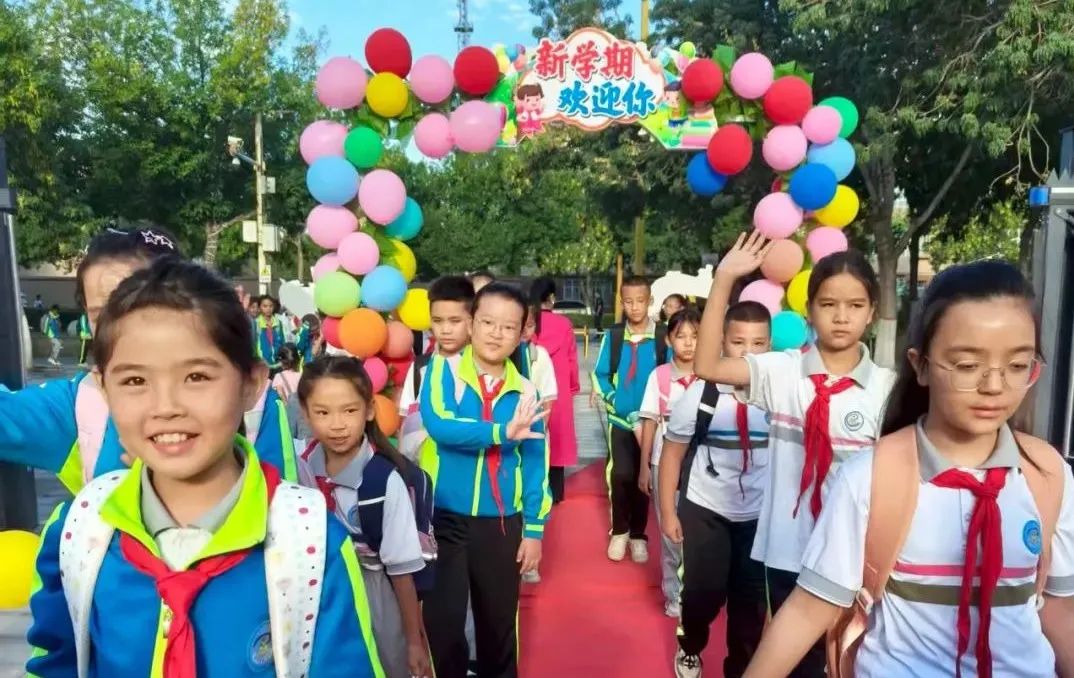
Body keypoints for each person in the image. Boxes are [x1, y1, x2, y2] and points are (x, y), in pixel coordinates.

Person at [25, 258, 383, 677]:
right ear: (104, 388)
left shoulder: (310, 540)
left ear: (252, 384)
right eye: (135, 381)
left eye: (196, 377)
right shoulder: (79, 531)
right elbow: (54, 663)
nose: (166, 407)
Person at [746, 260, 1074, 678]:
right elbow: (810, 609)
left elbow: (1057, 609)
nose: (994, 386)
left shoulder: (1047, 475)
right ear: (920, 365)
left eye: (1017, 366)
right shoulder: (871, 477)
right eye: (967, 366)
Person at [693, 233, 895, 677]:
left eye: (855, 305)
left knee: (851, 661)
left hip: (856, 559)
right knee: (801, 665)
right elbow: (707, 366)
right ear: (809, 310)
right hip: (788, 551)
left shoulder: (887, 390)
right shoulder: (781, 371)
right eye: (828, 304)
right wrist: (724, 279)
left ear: (872, 312)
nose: (841, 316)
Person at [0, 226, 299, 494]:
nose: (165, 408)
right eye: (102, 314)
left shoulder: (257, 407)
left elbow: (282, 516)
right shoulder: (80, 405)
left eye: (197, 378)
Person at [420, 282, 551, 678]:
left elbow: (535, 465)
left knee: (498, 627)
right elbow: (440, 425)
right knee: (443, 625)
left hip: (501, 523)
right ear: (472, 323)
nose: (496, 334)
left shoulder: (526, 391)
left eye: (508, 327)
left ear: (523, 333)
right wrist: (501, 432)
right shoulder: (442, 370)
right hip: (444, 518)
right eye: (488, 322)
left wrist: (534, 529)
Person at [297, 356, 432, 678]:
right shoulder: (299, 468)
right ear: (305, 413)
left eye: (349, 410)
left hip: (374, 595)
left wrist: (414, 642)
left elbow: (401, 572)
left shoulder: (383, 482)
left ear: (369, 410)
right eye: (322, 412)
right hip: (315, 595)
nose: (337, 424)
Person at [660, 302, 772, 678]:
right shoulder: (700, 395)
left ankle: (739, 669)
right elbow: (672, 455)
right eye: (738, 342)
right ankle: (690, 645)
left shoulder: (781, 396)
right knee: (701, 594)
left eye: (758, 343)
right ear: (722, 342)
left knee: (750, 604)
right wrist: (668, 512)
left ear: (770, 345)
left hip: (758, 515)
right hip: (706, 508)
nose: (748, 353)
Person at [592, 275, 666, 563]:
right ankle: (619, 531)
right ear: (621, 303)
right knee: (621, 474)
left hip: (651, 423)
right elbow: (600, 375)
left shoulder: (661, 338)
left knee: (643, 478)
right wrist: (614, 400)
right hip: (621, 422)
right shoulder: (613, 338)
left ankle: (638, 535)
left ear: (650, 302)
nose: (634, 307)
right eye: (628, 302)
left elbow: (669, 373)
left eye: (640, 301)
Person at [638, 307, 700, 618]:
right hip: (665, 465)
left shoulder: (712, 375)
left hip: (701, 467)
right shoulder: (660, 377)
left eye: (695, 336)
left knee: (698, 532)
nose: (688, 343)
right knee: (670, 532)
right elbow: (649, 421)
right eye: (681, 336)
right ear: (669, 340)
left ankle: (697, 591)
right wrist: (644, 466)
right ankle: (674, 594)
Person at [398, 276, 475, 464]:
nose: (445, 330)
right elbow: (406, 422)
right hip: (424, 467)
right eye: (438, 321)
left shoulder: (483, 367)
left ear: (472, 321)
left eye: (455, 321)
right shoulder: (421, 367)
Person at [531, 276, 580, 504]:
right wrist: (573, 386)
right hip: (558, 390)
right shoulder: (564, 324)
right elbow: (571, 360)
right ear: (551, 297)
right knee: (557, 440)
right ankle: (556, 492)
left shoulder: (528, 323)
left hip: (532, 387)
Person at [255, 294, 285, 371]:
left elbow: (282, 342)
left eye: (271, 306)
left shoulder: (278, 323)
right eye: (265, 306)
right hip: (262, 365)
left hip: (278, 364)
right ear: (259, 308)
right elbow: (253, 345)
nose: (268, 309)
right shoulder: (256, 323)